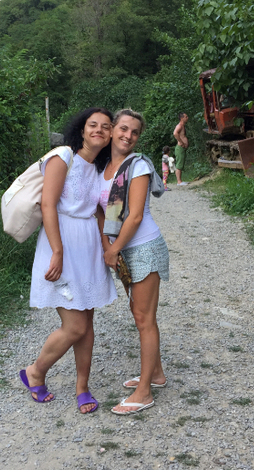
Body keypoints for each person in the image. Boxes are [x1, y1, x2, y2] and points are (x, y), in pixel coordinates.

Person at [20, 108, 117, 414]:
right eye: (93, 125)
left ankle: (82, 387)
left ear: (111, 134)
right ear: (82, 129)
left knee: (87, 324)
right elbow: (48, 204)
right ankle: (35, 371)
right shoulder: (64, 156)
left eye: (106, 126)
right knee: (74, 326)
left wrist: (108, 248)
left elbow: (100, 211)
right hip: (61, 242)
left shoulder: (101, 167)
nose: (98, 130)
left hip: (89, 246)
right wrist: (57, 251)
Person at [97, 109, 169, 415]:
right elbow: (100, 212)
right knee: (139, 313)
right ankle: (156, 374)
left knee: (144, 318)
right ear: (113, 129)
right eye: (124, 129)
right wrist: (108, 247)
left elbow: (136, 216)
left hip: (144, 248)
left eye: (135, 132)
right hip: (123, 250)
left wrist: (113, 250)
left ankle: (144, 393)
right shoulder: (103, 167)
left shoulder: (137, 166)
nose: (128, 136)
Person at [172, 112, 189, 185]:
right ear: (182, 118)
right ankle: (179, 182)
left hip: (182, 148)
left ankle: (180, 181)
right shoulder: (179, 126)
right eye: (186, 117)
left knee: (181, 164)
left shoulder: (182, 126)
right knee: (179, 165)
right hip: (180, 148)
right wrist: (181, 142)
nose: (187, 118)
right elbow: (175, 133)